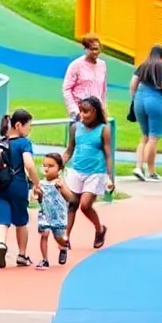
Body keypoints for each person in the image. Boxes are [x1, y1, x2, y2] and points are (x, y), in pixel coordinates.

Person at [0, 109, 42, 270]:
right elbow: (29, 165)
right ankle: (22, 255)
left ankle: (1, 244)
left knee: (0, 219)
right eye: (28, 126)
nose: (29, 129)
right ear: (18, 125)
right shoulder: (24, 143)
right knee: (21, 221)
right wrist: (37, 184)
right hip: (17, 185)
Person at [64, 97, 114, 249]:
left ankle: (100, 230)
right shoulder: (75, 128)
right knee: (72, 203)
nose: (82, 115)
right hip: (76, 170)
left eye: (86, 112)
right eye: (81, 111)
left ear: (95, 112)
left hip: (95, 172)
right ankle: (65, 238)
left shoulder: (104, 129)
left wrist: (110, 177)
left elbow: (108, 154)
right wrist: (58, 164)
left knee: (85, 205)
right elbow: (69, 151)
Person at [129, 45, 162, 182]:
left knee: (144, 137)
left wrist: (134, 98)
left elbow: (133, 84)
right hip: (156, 101)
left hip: (139, 100)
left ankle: (138, 167)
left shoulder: (143, 65)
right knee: (153, 138)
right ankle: (150, 172)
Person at [35, 153, 74, 270]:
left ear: (59, 168)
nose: (46, 168)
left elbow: (70, 198)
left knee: (59, 238)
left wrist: (62, 187)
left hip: (58, 216)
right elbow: (39, 199)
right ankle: (45, 260)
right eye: (44, 165)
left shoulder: (61, 182)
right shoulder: (41, 183)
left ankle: (63, 247)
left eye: (51, 166)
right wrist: (38, 194)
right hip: (45, 214)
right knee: (44, 234)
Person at [62, 35, 108, 120]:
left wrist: (104, 109)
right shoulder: (76, 65)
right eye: (92, 49)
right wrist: (74, 110)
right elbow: (67, 89)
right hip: (81, 111)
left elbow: (103, 90)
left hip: (97, 112)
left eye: (97, 49)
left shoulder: (102, 65)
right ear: (86, 49)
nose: (95, 52)